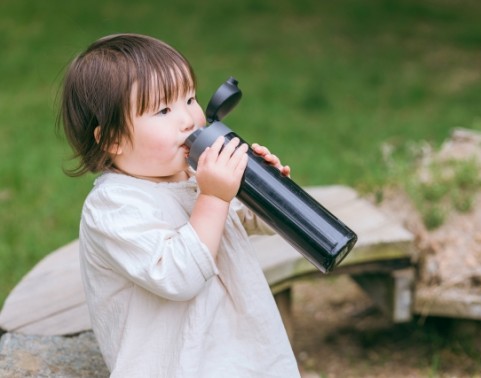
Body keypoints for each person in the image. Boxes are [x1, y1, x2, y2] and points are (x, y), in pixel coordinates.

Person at [58, 33, 300, 377]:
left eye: (190, 98)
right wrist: (214, 196)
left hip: (240, 357)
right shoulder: (113, 206)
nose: (189, 118)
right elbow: (178, 275)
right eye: (164, 109)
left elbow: (244, 220)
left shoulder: (191, 174)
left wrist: (264, 189)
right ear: (113, 138)